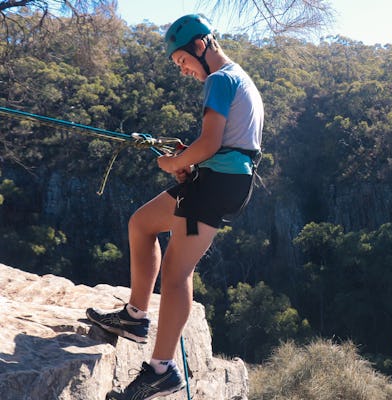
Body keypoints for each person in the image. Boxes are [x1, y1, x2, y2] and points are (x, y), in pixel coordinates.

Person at [86, 13, 263, 400]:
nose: (183, 70)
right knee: (142, 223)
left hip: (215, 187)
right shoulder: (238, 78)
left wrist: (173, 163)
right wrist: (192, 162)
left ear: (201, 46)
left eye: (182, 61)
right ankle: (135, 318)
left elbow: (212, 142)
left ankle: (161, 370)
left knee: (177, 271)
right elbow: (223, 145)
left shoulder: (220, 79)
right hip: (216, 180)